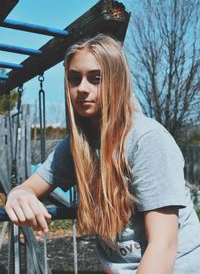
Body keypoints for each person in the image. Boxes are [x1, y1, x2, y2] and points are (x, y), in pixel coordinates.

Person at [5, 34, 200, 273]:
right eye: (74, 79)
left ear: (116, 81)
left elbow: (164, 244)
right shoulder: (77, 146)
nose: (82, 89)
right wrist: (18, 194)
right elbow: (28, 188)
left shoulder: (147, 140)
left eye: (95, 79)